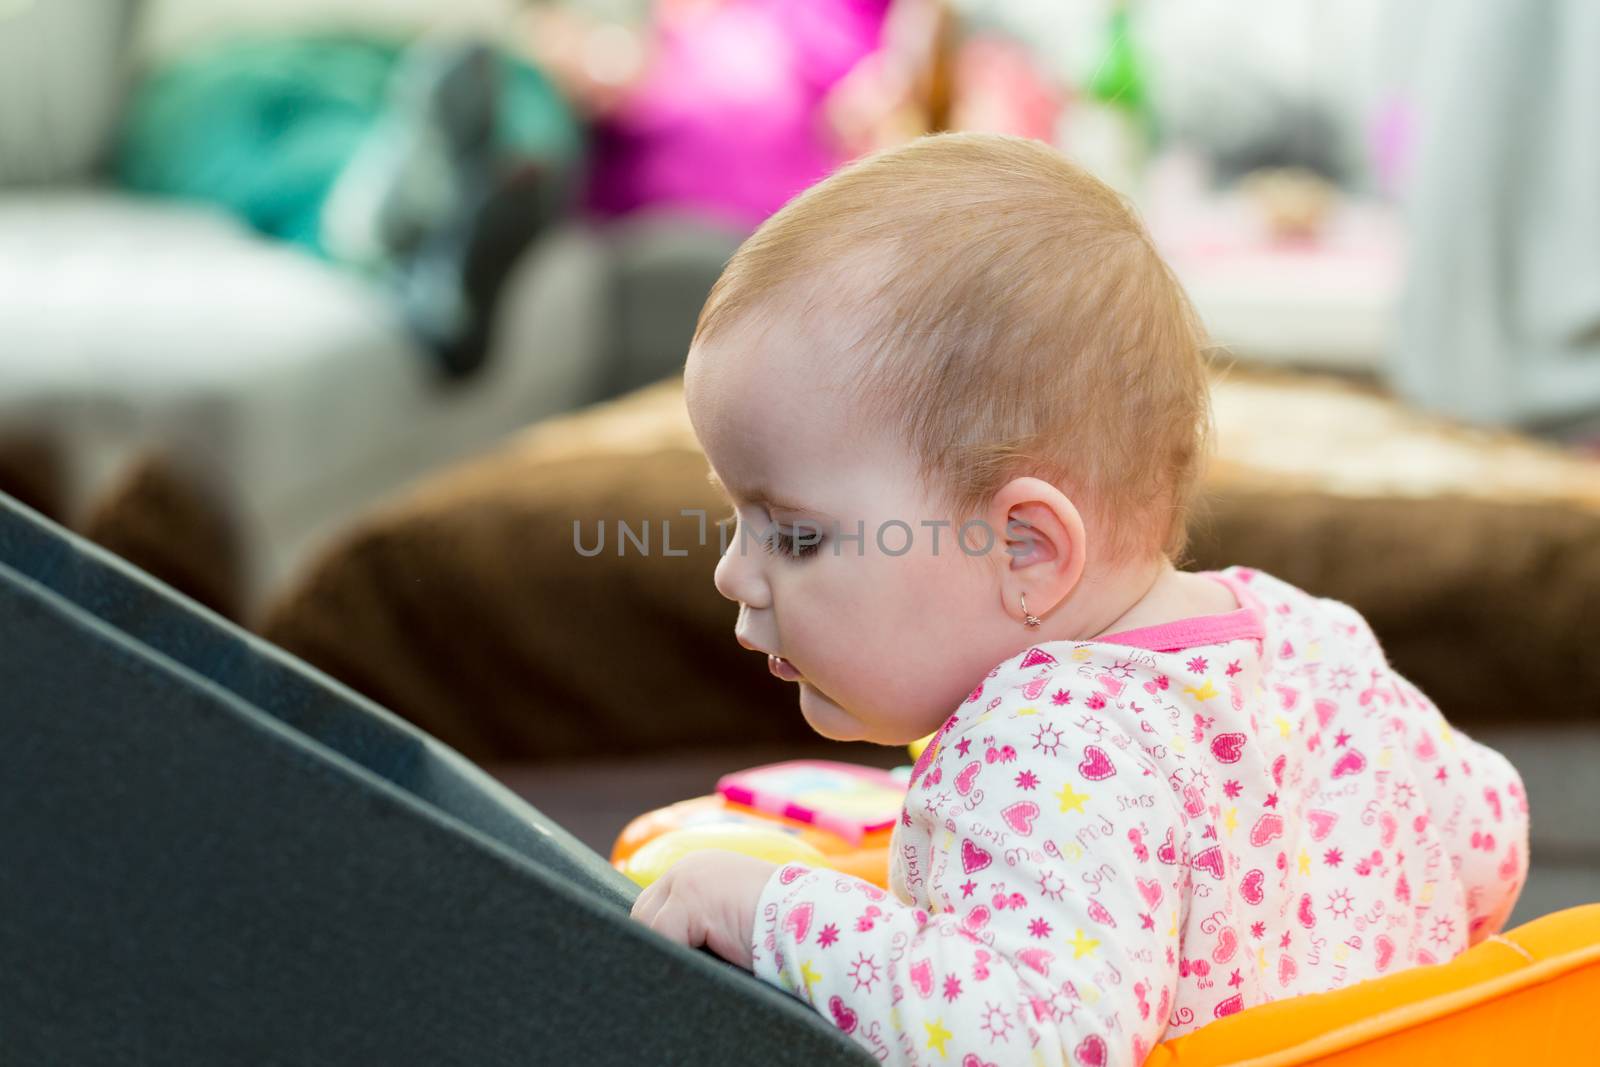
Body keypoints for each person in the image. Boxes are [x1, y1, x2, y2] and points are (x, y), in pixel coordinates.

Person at [628, 132, 1530, 1065]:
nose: (735, 571)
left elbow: (1030, 1039)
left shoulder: (1036, 751)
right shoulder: (1309, 636)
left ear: (1024, 547)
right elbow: (1489, 833)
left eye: (796, 533)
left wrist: (772, 910)